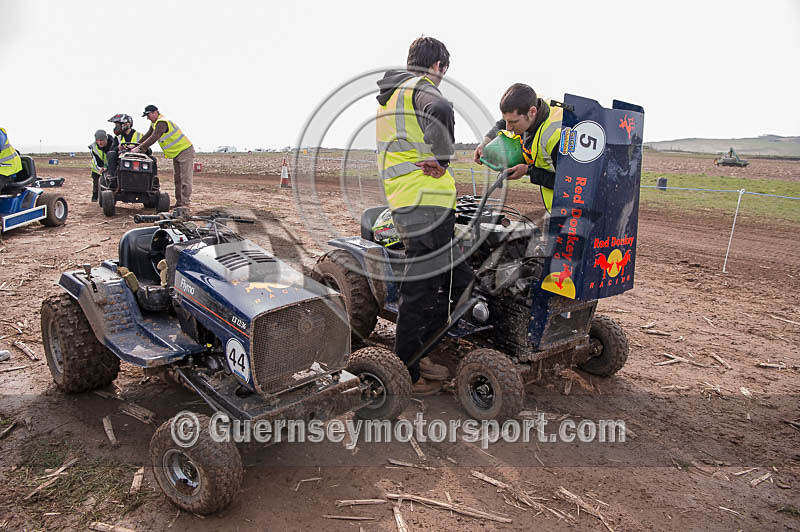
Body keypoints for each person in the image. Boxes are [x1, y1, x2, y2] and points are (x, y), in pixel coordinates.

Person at [376, 36, 472, 395]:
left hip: (410, 203)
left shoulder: (392, 99)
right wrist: (443, 157)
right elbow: (443, 109)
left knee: (457, 279)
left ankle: (420, 352)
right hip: (425, 205)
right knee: (420, 290)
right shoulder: (420, 88)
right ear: (438, 67)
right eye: (443, 72)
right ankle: (405, 373)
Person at [474, 83, 563, 212]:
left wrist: (527, 171)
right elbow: (504, 121)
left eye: (513, 123)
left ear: (532, 112)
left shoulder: (556, 137)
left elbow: (567, 184)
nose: (508, 128)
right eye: (507, 121)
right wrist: (485, 142)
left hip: (571, 211)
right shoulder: (529, 102)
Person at [132, 105, 195, 207]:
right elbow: (147, 135)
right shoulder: (155, 124)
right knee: (178, 179)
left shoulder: (162, 122)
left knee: (185, 180)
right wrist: (135, 145)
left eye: (148, 115)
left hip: (185, 151)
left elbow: (154, 137)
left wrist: (140, 148)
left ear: (155, 113)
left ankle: (185, 204)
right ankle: (179, 203)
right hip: (177, 153)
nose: (147, 118)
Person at [89, 130, 115, 201]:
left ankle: (108, 196)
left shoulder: (113, 144)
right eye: (97, 140)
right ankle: (95, 196)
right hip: (97, 167)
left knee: (109, 180)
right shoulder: (93, 147)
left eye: (101, 140)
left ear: (106, 139)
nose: (100, 142)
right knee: (96, 182)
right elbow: (95, 159)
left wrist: (107, 167)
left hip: (109, 166)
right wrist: (100, 168)